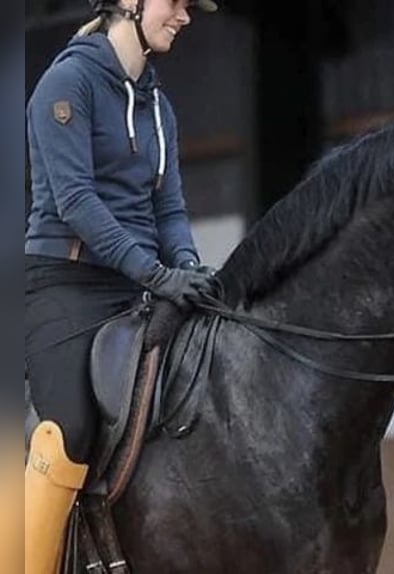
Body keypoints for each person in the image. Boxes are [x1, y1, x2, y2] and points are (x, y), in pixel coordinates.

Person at [24, 1, 218, 572]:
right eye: (175, 2)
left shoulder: (159, 105)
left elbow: (171, 208)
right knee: (72, 429)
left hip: (138, 284)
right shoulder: (66, 83)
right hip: (66, 285)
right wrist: (156, 274)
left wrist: (188, 267)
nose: (184, 15)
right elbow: (77, 203)